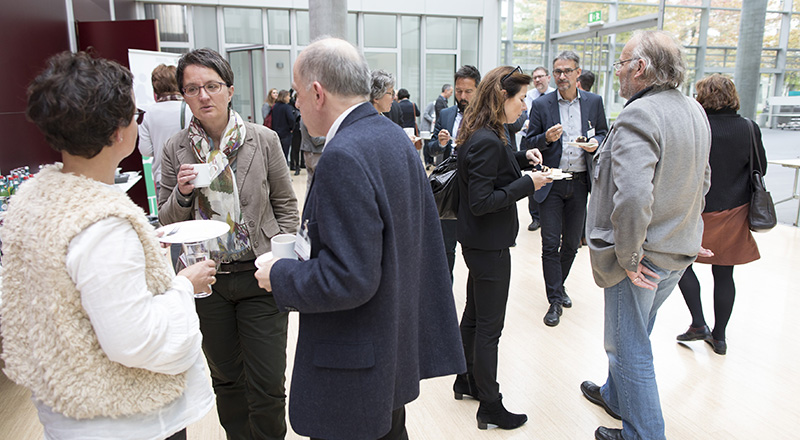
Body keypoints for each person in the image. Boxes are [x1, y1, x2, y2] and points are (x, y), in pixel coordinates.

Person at [254, 37, 465, 440]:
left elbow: (349, 278)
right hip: (388, 344)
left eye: (297, 95)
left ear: (317, 93)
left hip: (354, 360)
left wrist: (279, 275)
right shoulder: (390, 138)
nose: (295, 106)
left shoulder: (344, 156)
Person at [0, 51, 216, 439]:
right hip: (127, 418)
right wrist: (185, 285)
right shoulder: (102, 224)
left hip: (68, 407)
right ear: (119, 132)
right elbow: (136, 339)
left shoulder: (32, 200)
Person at [158, 48, 300, 440]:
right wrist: (184, 193)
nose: (203, 96)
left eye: (211, 86)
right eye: (192, 88)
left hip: (260, 276)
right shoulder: (175, 149)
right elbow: (168, 222)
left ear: (229, 90)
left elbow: (286, 205)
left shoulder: (264, 139)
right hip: (208, 282)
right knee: (227, 380)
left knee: (268, 381)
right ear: (183, 96)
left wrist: (279, 258)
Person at [580, 30, 711, 440]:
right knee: (636, 331)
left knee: (627, 346)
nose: (617, 72)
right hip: (677, 250)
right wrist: (688, 230)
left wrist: (629, 256)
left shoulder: (640, 114)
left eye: (621, 63)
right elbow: (701, 180)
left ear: (639, 68)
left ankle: (643, 434)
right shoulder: (693, 109)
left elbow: (633, 196)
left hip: (641, 256)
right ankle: (615, 397)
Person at [454, 65, 550, 430]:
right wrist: (529, 184)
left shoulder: (486, 133)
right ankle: (490, 403)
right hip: (488, 244)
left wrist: (525, 160)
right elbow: (482, 200)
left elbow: (496, 169)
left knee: (475, 316)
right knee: (490, 327)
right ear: (502, 97)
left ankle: (466, 379)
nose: (525, 106)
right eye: (521, 99)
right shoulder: (487, 139)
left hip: (479, 243)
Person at [675, 73, 766, 356]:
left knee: (680, 264)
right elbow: (759, 167)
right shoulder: (749, 128)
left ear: (702, 96)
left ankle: (698, 323)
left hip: (698, 211)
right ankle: (721, 337)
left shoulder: (697, 127)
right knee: (725, 274)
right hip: (735, 211)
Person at [522, 51, 608, 327]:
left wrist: (595, 141)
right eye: (557, 71)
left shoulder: (594, 102)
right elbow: (527, 143)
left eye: (567, 71)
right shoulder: (543, 105)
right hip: (552, 181)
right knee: (549, 243)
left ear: (577, 72)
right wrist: (545, 138)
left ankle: (558, 286)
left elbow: (604, 132)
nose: (561, 76)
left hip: (581, 181)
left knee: (572, 243)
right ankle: (555, 299)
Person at [426, 65, 481, 278]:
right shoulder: (446, 114)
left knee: (475, 251)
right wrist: (439, 144)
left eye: (468, 91)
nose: (462, 96)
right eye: (459, 91)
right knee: (445, 250)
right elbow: (430, 148)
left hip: (475, 190)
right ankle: (445, 302)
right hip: (448, 191)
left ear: (477, 90)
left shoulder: (486, 116)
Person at [138, 63, 193, 190]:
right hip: (189, 175)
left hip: (162, 177)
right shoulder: (191, 109)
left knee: (166, 209)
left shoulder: (148, 113)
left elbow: (145, 150)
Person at [522, 66, 554, 232]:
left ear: (548, 77)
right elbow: (521, 117)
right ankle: (535, 217)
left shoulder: (555, 96)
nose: (537, 80)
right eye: (535, 77)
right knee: (532, 179)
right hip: (531, 142)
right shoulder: (528, 96)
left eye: (541, 77)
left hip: (551, 146)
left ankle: (549, 216)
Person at [271, 89, 296, 162]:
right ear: (284, 97)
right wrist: (292, 128)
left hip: (276, 133)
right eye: (288, 96)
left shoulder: (275, 106)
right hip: (285, 133)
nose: (289, 98)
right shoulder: (286, 107)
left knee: (278, 155)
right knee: (285, 155)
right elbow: (291, 119)